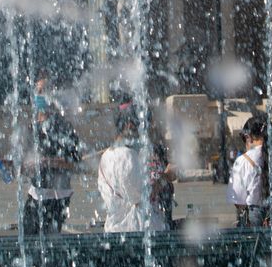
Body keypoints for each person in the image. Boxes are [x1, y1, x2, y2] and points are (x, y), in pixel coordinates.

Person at [96, 106, 172, 234]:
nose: (145, 132)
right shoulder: (127, 157)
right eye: (143, 126)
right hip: (135, 231)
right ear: (129, 125)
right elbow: (142, 195)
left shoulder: (107, 156)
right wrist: (166, 177)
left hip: (116, 228)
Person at [24, 93, 84, 235]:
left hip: (56, 199)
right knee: (29, 238)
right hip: (36, 195)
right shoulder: (32, 130)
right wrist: (7, 165)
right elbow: (25, 165)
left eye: (44, 90)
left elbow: (74, 164)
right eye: (38, 91)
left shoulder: (64, 129)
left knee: (49, 244)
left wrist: (49, 162)